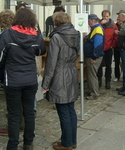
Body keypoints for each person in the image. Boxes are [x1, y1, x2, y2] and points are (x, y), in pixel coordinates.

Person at [0, 8, 46, 150]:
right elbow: (41, 50)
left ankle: (13, 145)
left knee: (14, 114)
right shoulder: (35, 36)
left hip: (12, 80)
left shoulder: (7, 35)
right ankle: (28, 143)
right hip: (30, 79)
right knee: (29, 113)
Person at [42, 12, 80, 150]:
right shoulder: (76, 34)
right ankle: (71, 140)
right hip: (71, 72)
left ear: (56, 23)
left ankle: (67, 143)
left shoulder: (57, 37)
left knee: (63, 110)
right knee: (70, 109)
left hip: (59, 75)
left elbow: (51, 64)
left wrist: (46, 84)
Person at [84, 14, 104, 100]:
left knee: (92, 75)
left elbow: (98, 45)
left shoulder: (97, 30)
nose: (88, 23)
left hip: (94, 56)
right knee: (91, 74)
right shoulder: (95, 29)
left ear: (92, 20)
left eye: (88, 21)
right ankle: (90, 90)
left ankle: (95, 93)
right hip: (93, 55)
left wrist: (94, 57)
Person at [97, 10, 118, 89]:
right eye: (104, 16)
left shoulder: (113, 25)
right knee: (99, 66)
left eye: (107, 16)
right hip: (100, 48)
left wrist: (112, 45)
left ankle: (108, 81)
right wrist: (100, 24)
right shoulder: (99, 24)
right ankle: (99, 80)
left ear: (109, 16)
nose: (105, 18)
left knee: (108, 66)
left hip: (108, 48)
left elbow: (116, 36)